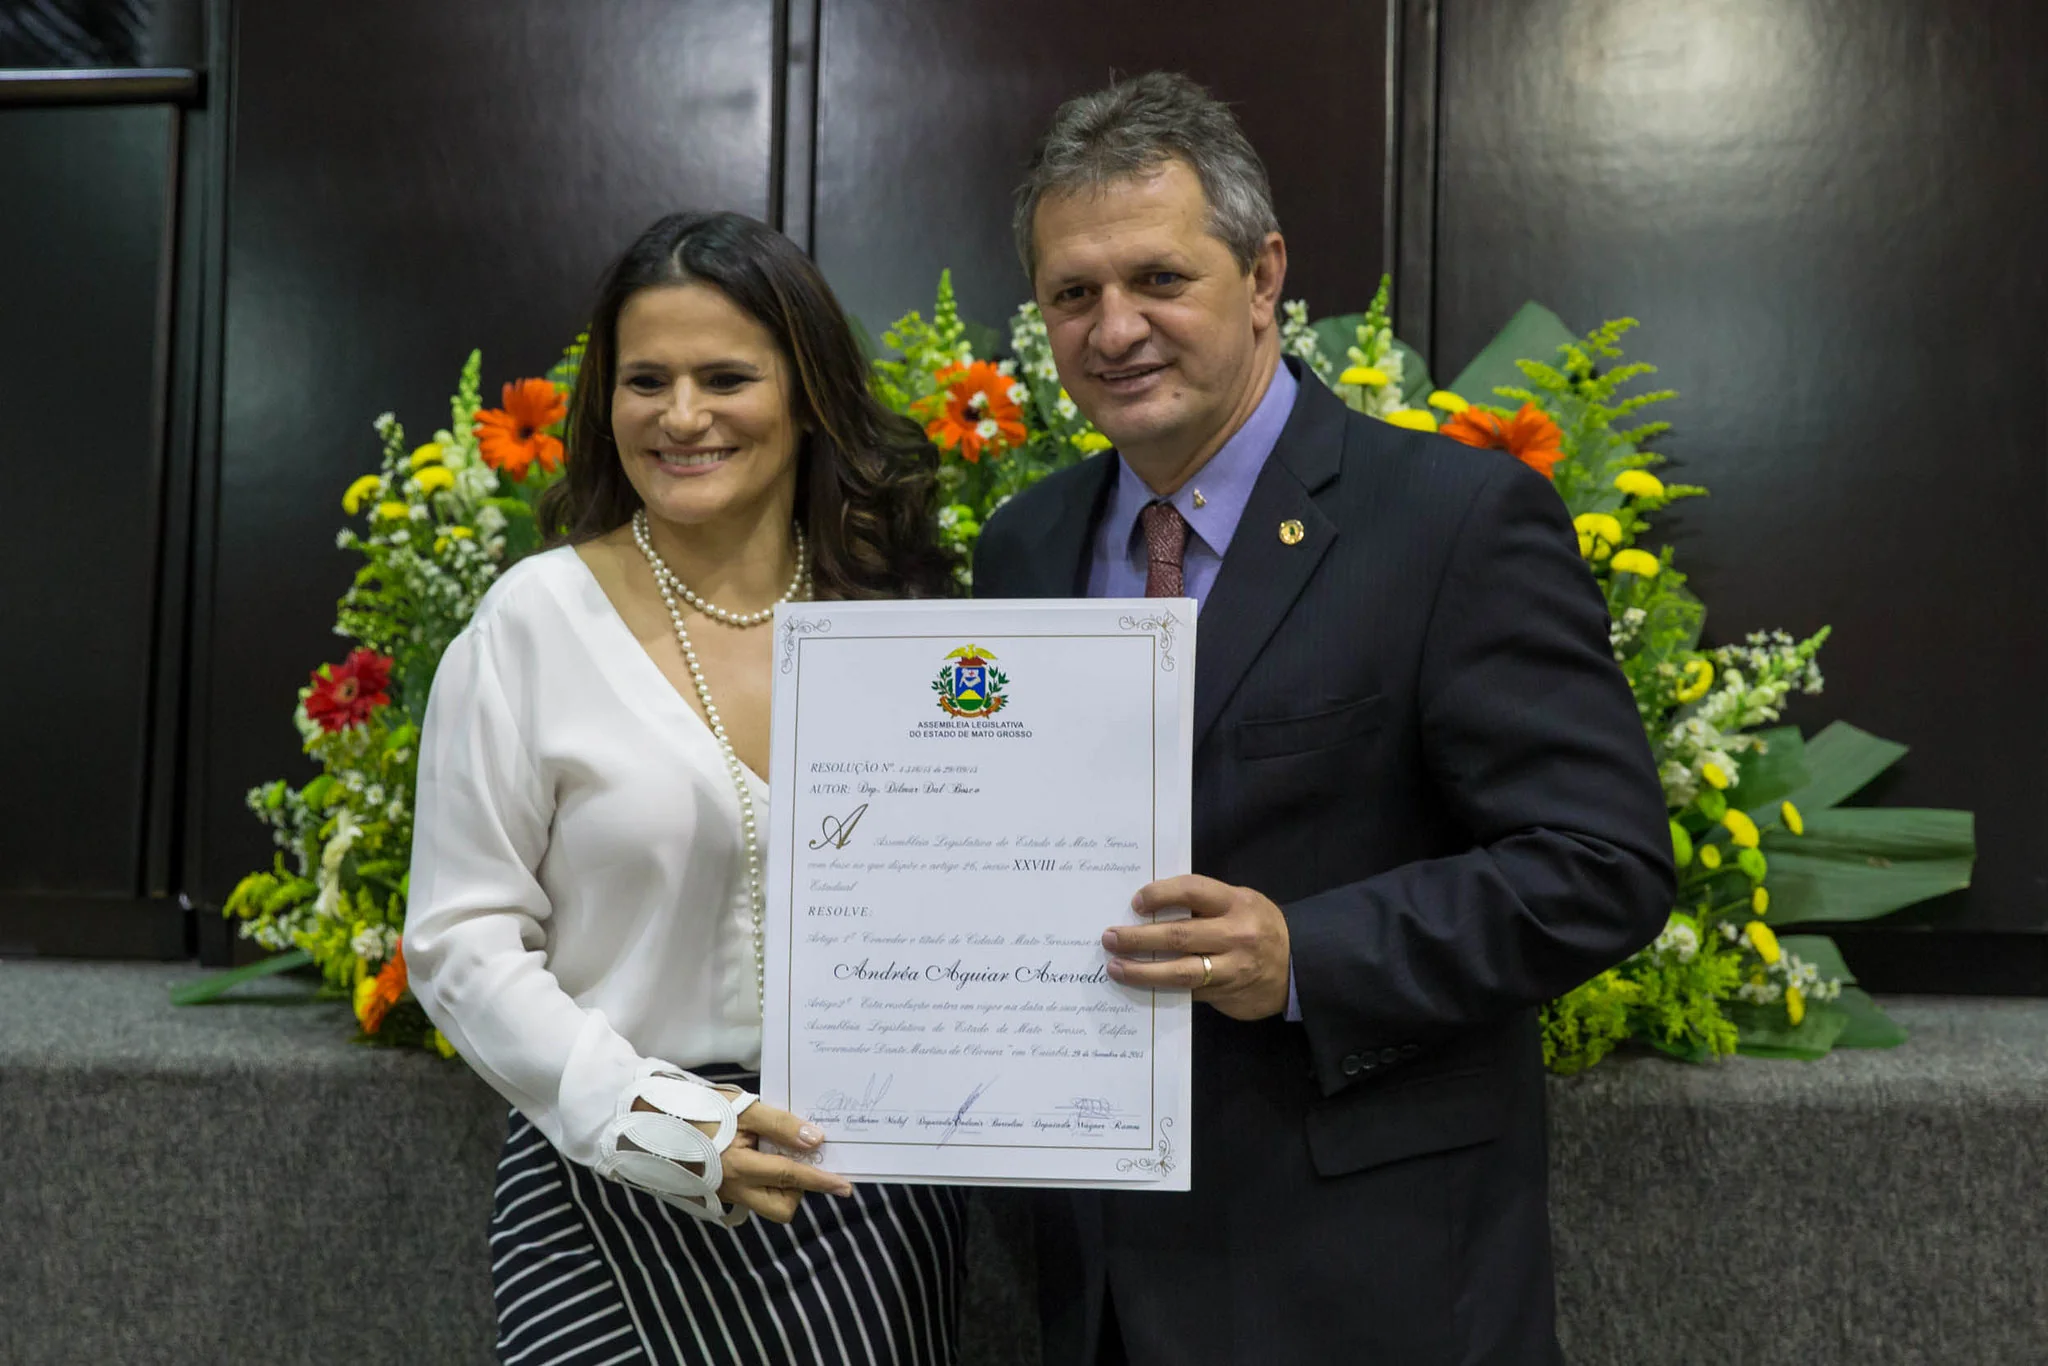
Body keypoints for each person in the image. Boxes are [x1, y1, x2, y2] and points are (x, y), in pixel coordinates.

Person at [974, 73, 1675, 1365]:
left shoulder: (1454, 524)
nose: (1113, 327)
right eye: (1074, 294)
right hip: (1099, 1291)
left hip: (1373, 1284)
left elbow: (1604, 865)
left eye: (1157, 280)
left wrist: (1304, 956)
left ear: (1263, 274)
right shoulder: (1024, 546)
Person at [406, 211, 963, 1366]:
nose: (681, 415)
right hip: (608, 1184)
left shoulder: (906, 623)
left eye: (725, 377)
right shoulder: (533, 623)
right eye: (644, 380)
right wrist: (656, 1124)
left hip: (862, 1194)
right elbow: (458, 942)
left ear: (807, 392)